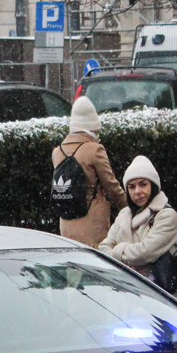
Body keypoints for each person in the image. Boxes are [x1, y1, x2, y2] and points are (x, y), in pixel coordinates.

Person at [52, 96, 127, 247]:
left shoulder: (57, 151)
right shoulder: (94, 150)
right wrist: (129, 208)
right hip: (92, 225)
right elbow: (111, 186)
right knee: (95, 266)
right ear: (93, 125)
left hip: (66, 223)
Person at [99, 155, 177, 280]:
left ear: (153, 186)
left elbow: (144, 253)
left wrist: (117, 252)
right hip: (125, 287)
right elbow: (103, 248)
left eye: (143, 184)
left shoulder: (166, 215)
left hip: (157, 290)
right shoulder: (123, 215)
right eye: (131, 186)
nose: (137, 191)